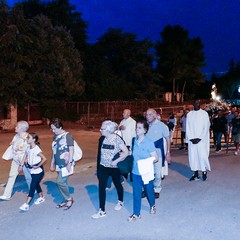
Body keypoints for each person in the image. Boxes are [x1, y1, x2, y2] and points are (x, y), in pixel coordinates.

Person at [92, 120, 128, 219]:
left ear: (108, 130)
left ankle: (120, 201)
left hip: (114, 168)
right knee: (101, 188)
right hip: (103, 167)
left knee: (117, 184)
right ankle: (102, 210)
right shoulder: (102, 139)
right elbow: (99, 154)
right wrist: (98, 167)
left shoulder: (117, 139)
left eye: (102, 129)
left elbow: (126, 152)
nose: (100, 130)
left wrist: (116, 161)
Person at [128, 119, 158, 221]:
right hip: (135, 172)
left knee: (149, 190)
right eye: (136, 127)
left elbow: (156, 158)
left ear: (145, 130)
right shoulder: (134, 140)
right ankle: (136, 213)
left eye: (139, 128)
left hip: (146, 172)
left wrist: (145, 162)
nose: (137, 129)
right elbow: (131, 153)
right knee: (136, 193)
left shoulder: (149, 142)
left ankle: (152, 205)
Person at [0, 121, 31, 201]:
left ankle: (33, 191)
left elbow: (27, 152)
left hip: (23, 161)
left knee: (28, 177)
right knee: (12, 176)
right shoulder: (16, 136)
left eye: (17, 126)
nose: (15, 128)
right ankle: (7, 195)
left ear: (21, 128)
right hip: (15, 159)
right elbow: (14, 145)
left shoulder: (28, 137)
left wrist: (21, 164)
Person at [145, 108, 171, 199]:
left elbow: (168, 140)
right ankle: (147, 189)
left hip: (158, 154)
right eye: (147, 114)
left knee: (157, 173)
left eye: (150, 114)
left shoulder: (162, 126)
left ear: (155, 115)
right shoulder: (145, 126)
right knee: (147, 173)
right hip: (146, 154)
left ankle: (157, 189)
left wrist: (168, 153)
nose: (148, 116)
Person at [50, 118, 74, 210]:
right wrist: (52, 163)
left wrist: (70, 163)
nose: (53, 131)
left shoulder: (67, 136)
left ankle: (69, 199)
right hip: (58, 164)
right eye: (52, 129)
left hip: (65, 163)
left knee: (60, 181)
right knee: (64, 182)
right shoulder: (55, 137)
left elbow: (71, 150)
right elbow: (54, 151)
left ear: (60, 127)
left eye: (54, 129)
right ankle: (65, 199)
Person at [18, 133, 47, 211]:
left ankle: (26, 204)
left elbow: (44, 159)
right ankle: (41, 197)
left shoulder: (36, 149)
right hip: (32, 170)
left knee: (32, 186)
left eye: (28, 137)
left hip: (38, 171)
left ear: (33, 139)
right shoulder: (28, 147)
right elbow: (25, 155)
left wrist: (37, 166)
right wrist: (21, 165)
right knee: (36, 184)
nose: (27, 138)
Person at [186, 100, 211, 181]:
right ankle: (195, 173)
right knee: (193, 157)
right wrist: (191, 138)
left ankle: (204, 171)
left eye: (198, 103)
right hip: (192, 140)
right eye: (195, 103)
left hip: (201, 140)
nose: (196, 104)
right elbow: (188, 127)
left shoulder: (204, 113)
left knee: (202, 156)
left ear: (200, 104)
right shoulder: (190, 114)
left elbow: (206, 126)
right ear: (193, 104)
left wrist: (200, 138)